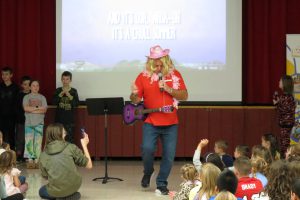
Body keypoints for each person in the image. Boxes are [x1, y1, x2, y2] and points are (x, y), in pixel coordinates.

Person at [130, 45, 188, 195]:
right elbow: (135, 100)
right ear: (150, 62)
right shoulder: (143, 76)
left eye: (160, 60)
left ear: (165, 60)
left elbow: (184, 95)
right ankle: (148, 172)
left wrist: (168, 89)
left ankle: (161, 183)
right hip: (151, 121)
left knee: (169, 156)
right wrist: (134, 94)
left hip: (171, 123)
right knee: (147, 149)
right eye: (155, 61)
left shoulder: (175, 75)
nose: (158, 64)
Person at [39, 123, 92, 200]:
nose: (65, 135)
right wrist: (84, 145)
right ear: (60, 135)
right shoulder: (71, 147)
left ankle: (61, 196)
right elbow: (89, 165)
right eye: (64, 133)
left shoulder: (43, 155)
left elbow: (46, 177)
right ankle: (70, 195)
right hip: (74, 186)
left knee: (42, 191)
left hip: (56, 190)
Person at [23, 80, 47, 168]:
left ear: (39, 87)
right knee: (29, 141)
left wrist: (32, 109)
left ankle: (37, 160)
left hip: (39, 123)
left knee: (38, 142)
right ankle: (30, 160)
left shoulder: (42, 98)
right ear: (30, 87)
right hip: (29, 123)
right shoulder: (26, 97)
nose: (35, 87)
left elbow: (44, 110)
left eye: (37, 85)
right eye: (33, 85)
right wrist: (38, 108)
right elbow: (26, 108)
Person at [53, 71, 79, 143]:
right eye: (63, 79)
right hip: (59, 120)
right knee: (58, 139)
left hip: (69, 121)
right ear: (61, 80)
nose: (65, 81)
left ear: (70, 80)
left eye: (67, 79)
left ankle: (69, 154)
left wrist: (69, 95)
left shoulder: (74, 91)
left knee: (69, 139)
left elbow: (76, 104)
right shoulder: (58, 90)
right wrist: (61, 94)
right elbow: (54, 102)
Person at [273, 75, 296, 156]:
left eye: (280, 81)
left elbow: (283, 110)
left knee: (284, 143)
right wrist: (277, 102)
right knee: (284, 141)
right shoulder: (287, 97)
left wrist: (277, 104)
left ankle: (285, 159)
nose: (279, 82)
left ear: (285, 84)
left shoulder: (285, 97)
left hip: (285, 123)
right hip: (286, 123)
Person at [0, 67, 19, 151]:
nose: (4, 76)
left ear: (11, 75)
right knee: (1, 135)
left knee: (11, 135)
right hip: (1, 115)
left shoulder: (15, 88)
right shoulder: (0, 86)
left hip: (12, 116)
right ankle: (1, 153)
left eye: (6, 74)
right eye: (3, 74)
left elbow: (17, 103)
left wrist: (15, 114)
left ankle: (12, 154)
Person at [15, 76, 31, 161]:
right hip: (21, 120)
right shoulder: (19, 95)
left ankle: (27, 156)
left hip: (31, 121)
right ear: (22, 85)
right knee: (20, 138)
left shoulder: (33, 95)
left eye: (29, 84)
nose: (27, 86)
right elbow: (17, 108)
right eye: (25, 84)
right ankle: (19, 156)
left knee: (29, 138)